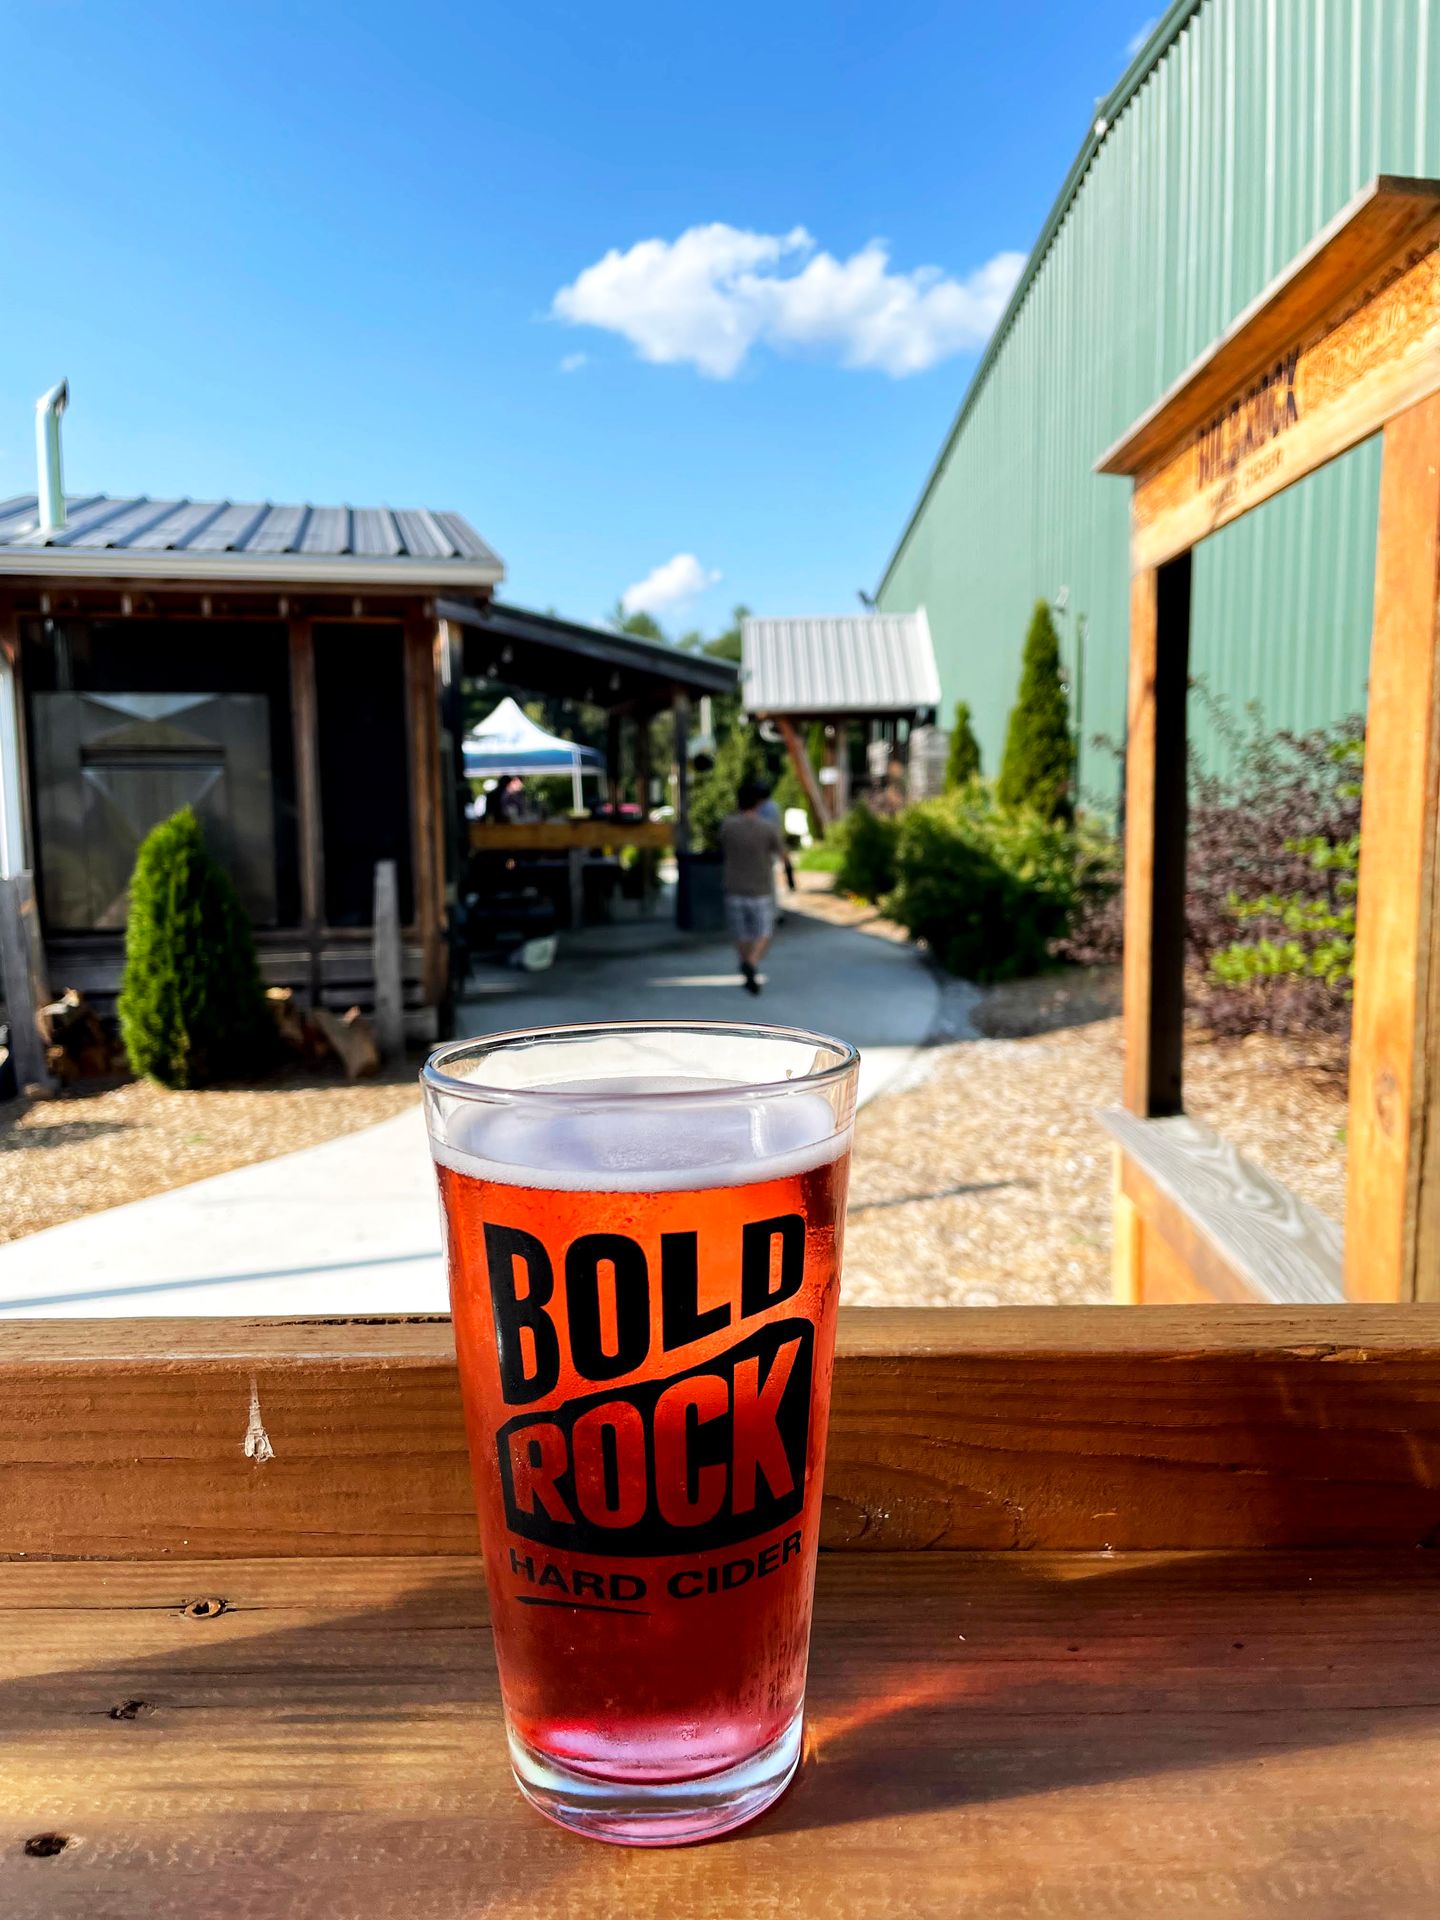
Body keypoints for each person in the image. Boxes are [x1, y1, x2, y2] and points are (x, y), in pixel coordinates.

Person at [720, 780, 787, 995]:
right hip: (760, 889)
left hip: (734, 888)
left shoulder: (728, 826)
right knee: (764, 932)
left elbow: (721, 845)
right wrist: (791, 876)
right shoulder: (767, 828)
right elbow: (783, 854)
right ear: (758, 803)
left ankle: (746, 963)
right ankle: (752, 961)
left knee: (742, 933)